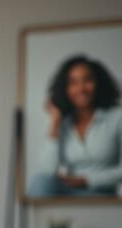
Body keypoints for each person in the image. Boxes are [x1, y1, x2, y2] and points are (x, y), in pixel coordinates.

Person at [28, 54, 122, 197]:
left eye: (87, 80)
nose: (81, 88)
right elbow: (46, 171)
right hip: (69, 193)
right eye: (73, 83)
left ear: (99, 83)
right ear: (65, 89)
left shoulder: (117, 117)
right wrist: (55, 122)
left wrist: (86, 180)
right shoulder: (63, 123)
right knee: (40, 182)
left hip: (101, 193)